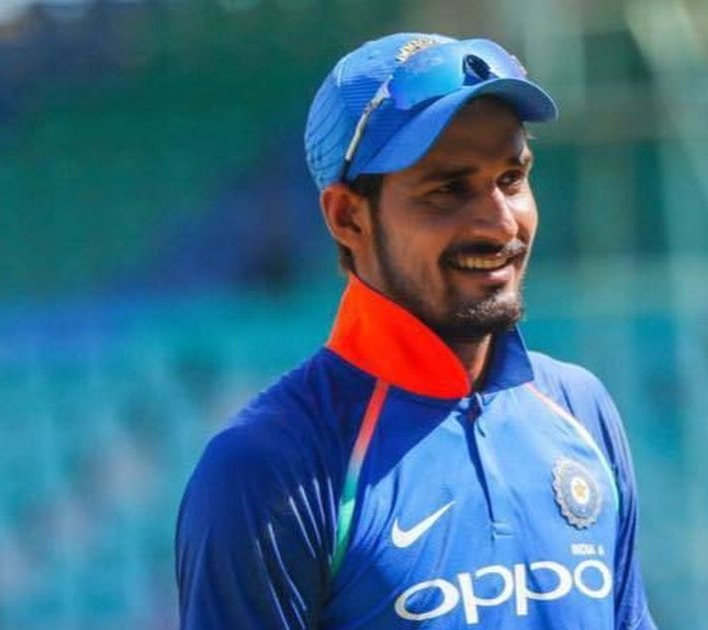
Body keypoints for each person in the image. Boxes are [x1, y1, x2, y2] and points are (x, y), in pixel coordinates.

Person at [176, 32, 657, 629]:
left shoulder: (581, 410)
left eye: (512, 178)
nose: (500, 223)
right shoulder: (267, 468)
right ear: (348, 217)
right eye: (448, 189)